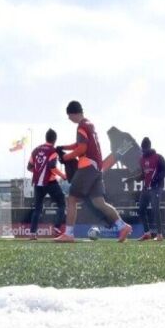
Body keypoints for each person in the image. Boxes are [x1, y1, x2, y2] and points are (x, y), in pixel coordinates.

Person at [54, 100, 132, 243]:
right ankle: (123, 226)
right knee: (99, 202)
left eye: (69, 116)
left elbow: (82, 149)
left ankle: (69, 234)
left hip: (87, 167)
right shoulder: (89, 124)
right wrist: (64, 147)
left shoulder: (81, 126)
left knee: (71, 199)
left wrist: (66, 156)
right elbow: (80, 144)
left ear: (72, 113)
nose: (69, 119)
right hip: (97, 168)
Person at [26, 128, 67, 240]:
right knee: (62, 203)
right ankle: (56, 228)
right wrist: (63, 175)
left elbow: (29, 167)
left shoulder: (35, 150)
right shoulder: (52, 151)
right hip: (50, 182)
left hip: (38, 183)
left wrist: (38, 173)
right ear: (54, 140)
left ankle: (32, 234)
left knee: (38, 208)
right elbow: (52, 167)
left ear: (46, 138)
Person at [134, 136, 165, 242]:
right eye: (142, 149)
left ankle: (159, 235)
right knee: (141, 210)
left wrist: (156, 179)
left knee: (155, 209)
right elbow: (144, 174)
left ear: (149, 147)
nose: (143, 150)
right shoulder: (141, 160)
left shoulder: (158, 157)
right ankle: (147, 233)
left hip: (156, 187)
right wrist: (133, 179)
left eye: (145, 148)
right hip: (146, 188)